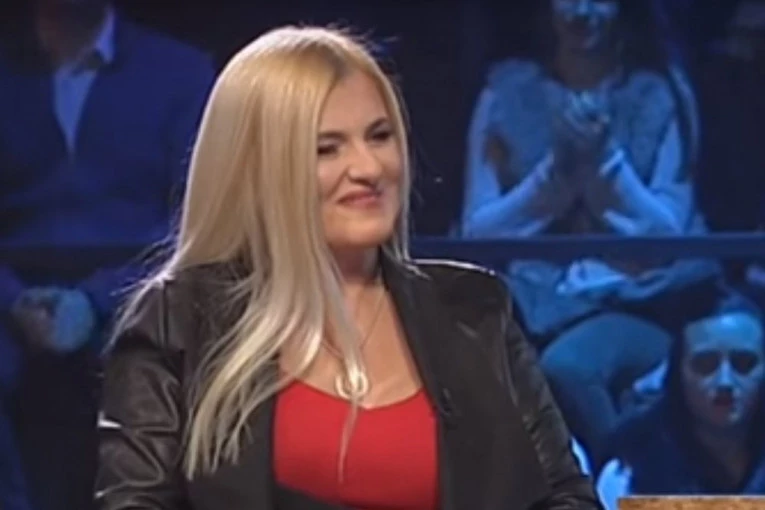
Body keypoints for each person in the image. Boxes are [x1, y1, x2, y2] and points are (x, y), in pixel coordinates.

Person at [95, 26, 601, 510]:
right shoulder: (180, 319)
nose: (369, 168)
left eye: (379, 137)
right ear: (259, 167)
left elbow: (565, 496)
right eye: (327, 148)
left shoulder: (475, 310)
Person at [461, 0, 717, 473]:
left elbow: (668, 234)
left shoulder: (660, 94)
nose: (581, 11)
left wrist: (605, 165)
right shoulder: (505, 92)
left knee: (569, 366)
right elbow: (478, 229)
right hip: (529, 299)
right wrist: (555, 176)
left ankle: (633, 476)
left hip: (637, 300)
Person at [0, 1, 214, 509]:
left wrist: (95, 302)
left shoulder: (180, 72)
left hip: (141, 290)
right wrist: (13, 300)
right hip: (13, 296)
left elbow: (199, 223)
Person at [596, 288, 765, 507]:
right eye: (705, 365)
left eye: (744, 364)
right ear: (678, 374)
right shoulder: (628, 472)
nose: (725, 382)